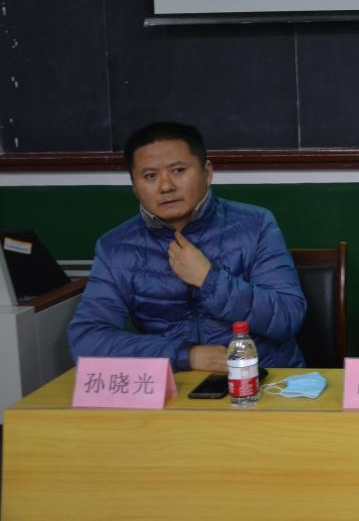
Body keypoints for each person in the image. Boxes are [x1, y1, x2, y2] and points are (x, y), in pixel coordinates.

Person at [68, 122, 306, 371]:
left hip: (264, 378)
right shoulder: (116, 247)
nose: (166, 186)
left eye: (178, 170)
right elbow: (86, 339)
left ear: (207, 172)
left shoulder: (255, 225)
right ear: (134, 185)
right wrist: (186, 356)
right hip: (176, 384)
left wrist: (208, 279)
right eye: (150, 176)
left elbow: (288, 317)